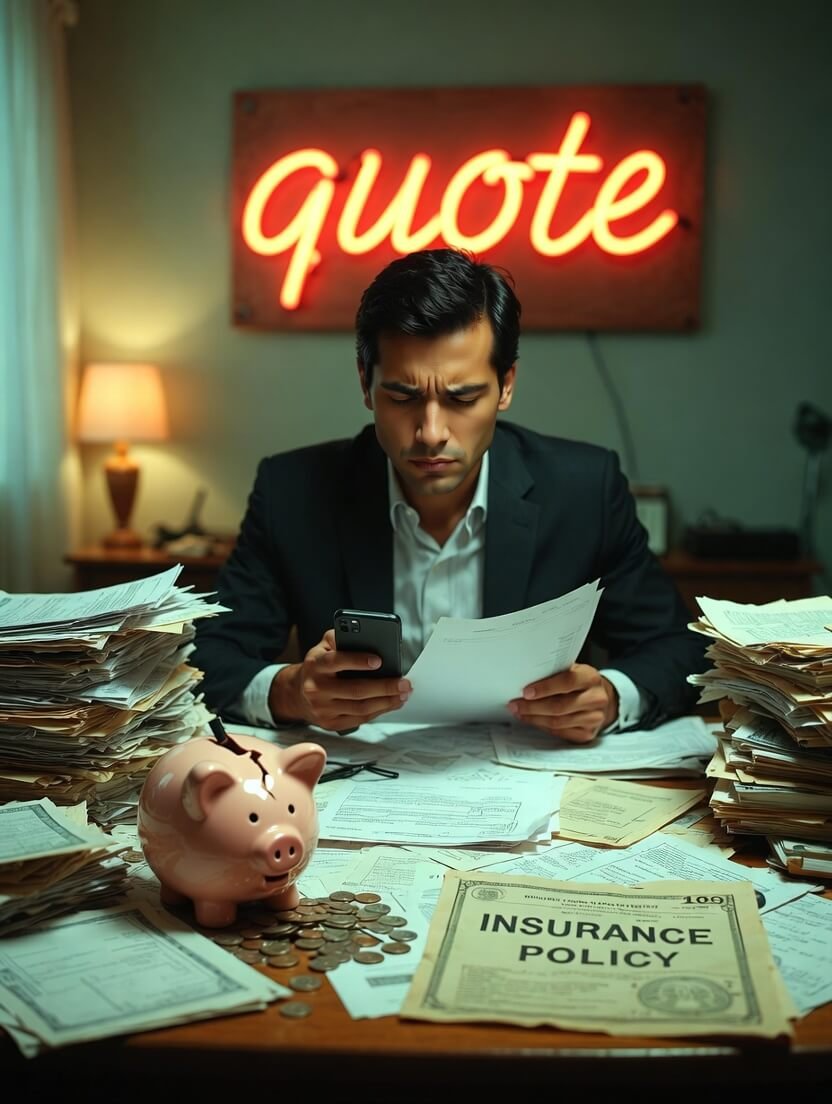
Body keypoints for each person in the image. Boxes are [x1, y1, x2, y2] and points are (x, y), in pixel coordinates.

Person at [192, 248, 707, 742]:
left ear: (505, 385)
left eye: (462, 397)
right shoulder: (293, 492)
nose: (431, 432)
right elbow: (208, 659)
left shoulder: (583, 488)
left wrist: (611, 698)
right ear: (366, 384)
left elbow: (676, 649)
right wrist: (291, 693)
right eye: (402, 396)